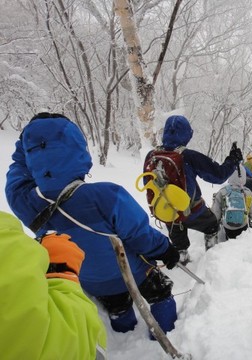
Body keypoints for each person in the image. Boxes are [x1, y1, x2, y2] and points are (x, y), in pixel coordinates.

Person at [5, 112, 180, 336]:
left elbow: (16, 181)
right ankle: (165, 335)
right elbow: (141, 236)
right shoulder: (106, 195)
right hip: (133, 272)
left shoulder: (26, 203)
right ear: (78, 147)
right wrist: (165, 249)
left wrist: (27, 145)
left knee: (117, 305)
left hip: (89, 280)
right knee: (161, 292)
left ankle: (124, 330)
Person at [0, 210, 107, 360]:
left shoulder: (18, 200)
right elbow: (76, 346)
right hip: (114, 279)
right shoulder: (6, 236)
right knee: (122, 309)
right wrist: (62, 274)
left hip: (92, 281)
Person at [144, 115, 243, 263]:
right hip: (192, 211)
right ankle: (212, 259)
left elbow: (147, 181)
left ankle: (182, 256)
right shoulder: (188, 156)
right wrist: (232, 160)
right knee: (212, 225)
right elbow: (219, 175)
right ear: (186, 134)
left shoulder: (151, 155)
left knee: (176, 226)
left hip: (165, 209)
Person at [211, 166, 252, 240]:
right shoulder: (247, 192)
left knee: (228, 233)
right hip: (243, 225)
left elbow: (216, 212)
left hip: (228, 226)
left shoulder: (222, 192)